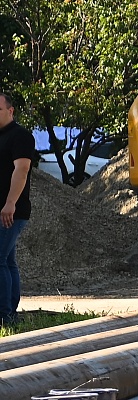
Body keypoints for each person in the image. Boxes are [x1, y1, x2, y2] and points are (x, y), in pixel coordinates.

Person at [0, 92, 35, 326]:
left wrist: (10, 203)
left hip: (12, 210)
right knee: (8, 260)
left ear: (10, 111)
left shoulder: (21, 136)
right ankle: (10, 313)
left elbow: (21, 171)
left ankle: (4, 316)